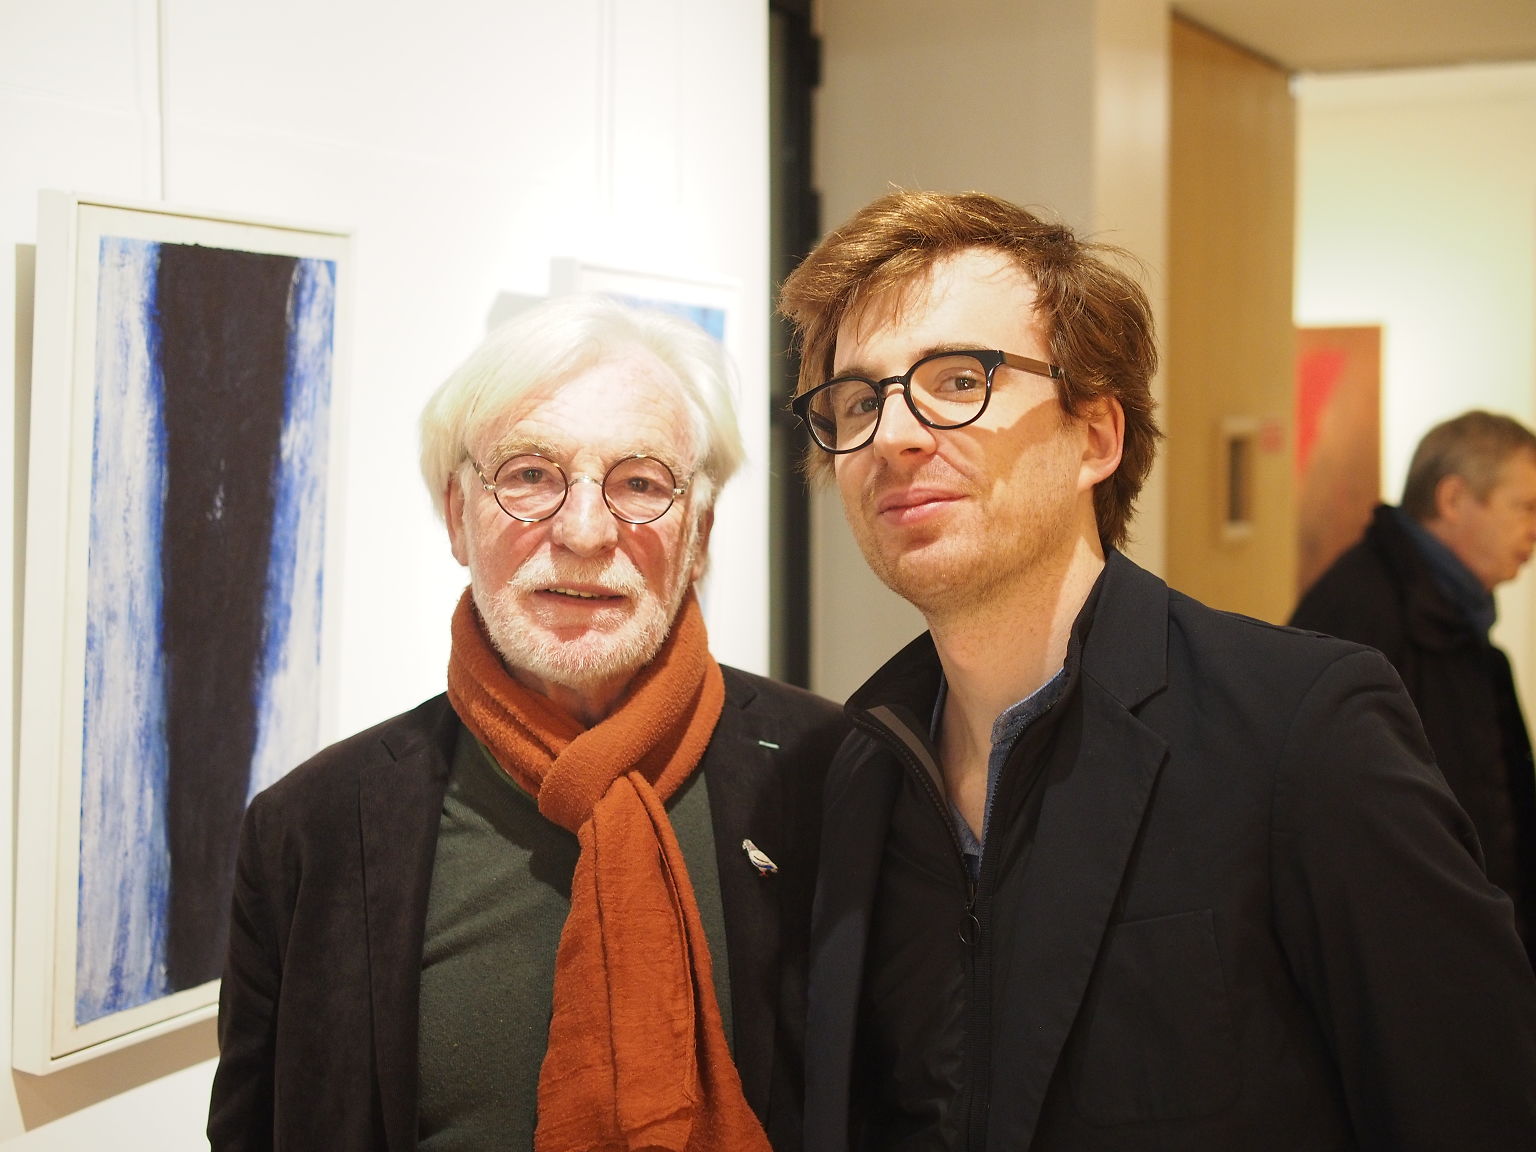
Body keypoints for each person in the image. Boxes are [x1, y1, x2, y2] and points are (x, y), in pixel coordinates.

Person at [778, 189, 1536, 1151]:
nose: (893, 435)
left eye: (959, 379)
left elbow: (1477, 1108)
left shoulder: (1302, 734)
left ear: (1096, 437)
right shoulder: (859, 774)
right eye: (857, 400)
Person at [207, 294, 845, 1151]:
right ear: (457, 516)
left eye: (641, 483)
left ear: (698, 532)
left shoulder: (832, 775)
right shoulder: (310, 829)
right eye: (531, 476)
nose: (583, 532)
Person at [1291, 410, 1536, 963]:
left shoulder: (1458, 621)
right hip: (1409, 957)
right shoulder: (1360, 614)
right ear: (1453, 500)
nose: (1534, 530)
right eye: (1525, 507)